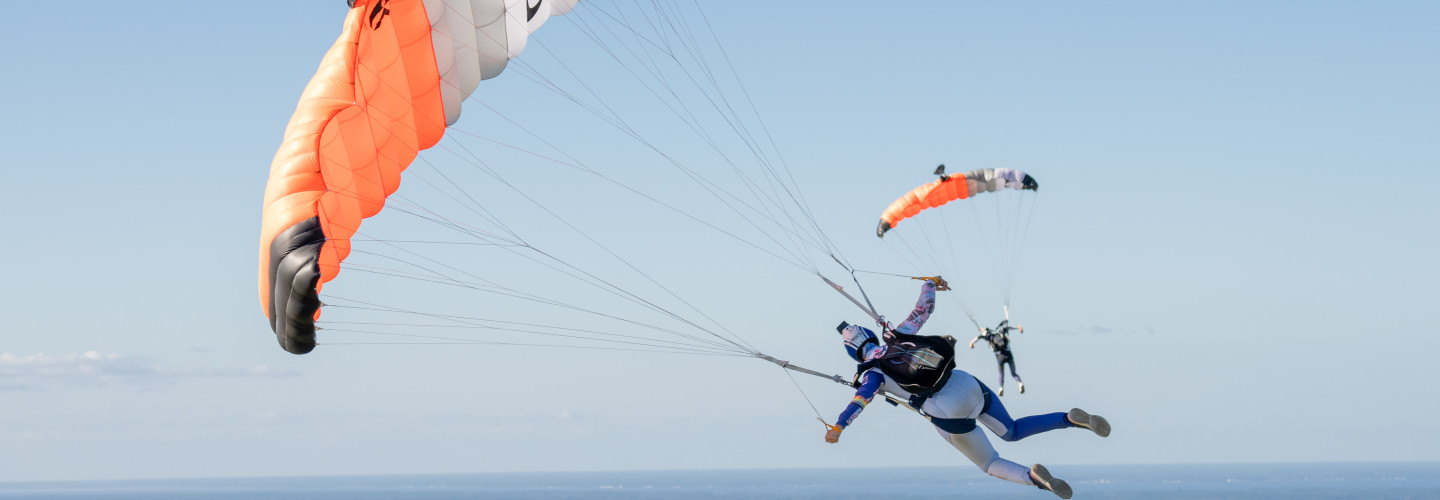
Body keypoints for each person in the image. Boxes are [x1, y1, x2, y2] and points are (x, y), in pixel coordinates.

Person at [826, 277, 1109, 499]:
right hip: (965, 383)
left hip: (945, 411)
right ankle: (1069, 419)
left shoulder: (871, 373)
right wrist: (930, 283)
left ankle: (1033, 477)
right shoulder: (897, 337)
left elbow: (860, 400)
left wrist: (839, 426)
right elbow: (923, 309)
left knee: (989, 464)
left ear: (853, 355)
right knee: (1012, 431)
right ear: (872, 335)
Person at [970, 320, 1024, 395]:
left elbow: (977, 338)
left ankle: (1001, 388)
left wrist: (971, 343)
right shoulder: (1001, 331)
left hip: (1000, 357)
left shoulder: (988, 336)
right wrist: (1019, 328)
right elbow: (1011, 328)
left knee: (1001, 374)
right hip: (1009, 355)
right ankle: (1020, 383)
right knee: (1013, 373)